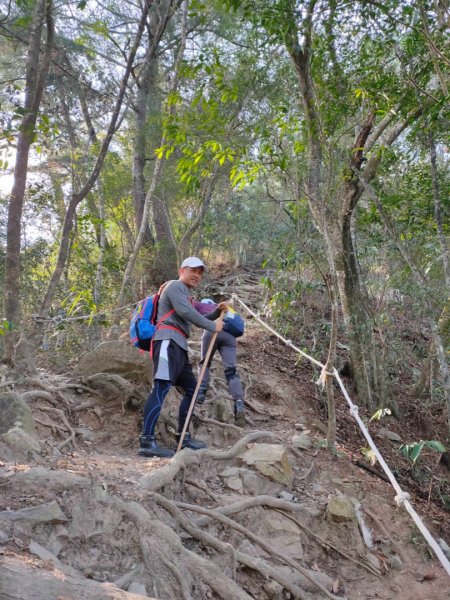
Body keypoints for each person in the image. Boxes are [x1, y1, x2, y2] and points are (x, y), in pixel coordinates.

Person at [138, 257, 224, 458]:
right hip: (167, 341)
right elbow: (185, 312)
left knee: (192, 390)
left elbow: (192, 314)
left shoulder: (184, 294)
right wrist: (212, 326)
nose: (197, 275)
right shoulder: (175, 286)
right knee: (161, 387)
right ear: (182, 270)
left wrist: (216, 312)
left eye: (200, 273)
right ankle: (147, 441)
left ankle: (183, 437)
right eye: (193, 270)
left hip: (179, 346)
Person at [194, 299, 245, 427]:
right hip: (229, 337)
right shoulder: (229, 310)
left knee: (204, 362)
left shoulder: (205, 306)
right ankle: (238, 402)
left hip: (211, 331)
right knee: (231, 371)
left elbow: (200, 319)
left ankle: (201, 392)